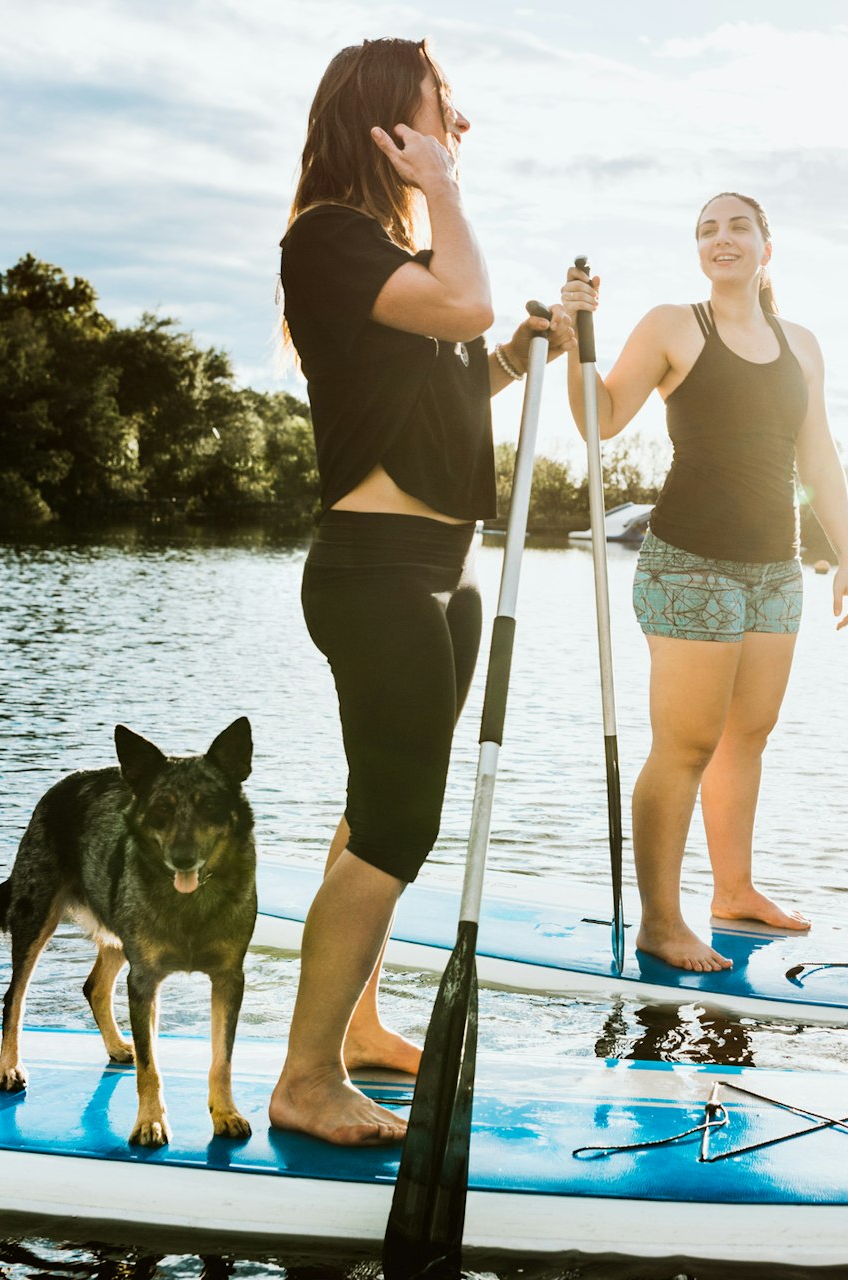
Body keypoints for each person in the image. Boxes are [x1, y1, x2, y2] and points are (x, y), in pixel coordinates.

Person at [267, 37, 571, 1146]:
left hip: (439, 581)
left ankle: (356, 1028)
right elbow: (464, 302)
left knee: (376, 806)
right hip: (375, 573)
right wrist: (446, 192)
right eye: (446, 111)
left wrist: (514, 354)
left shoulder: (388, 252)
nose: (461, 129)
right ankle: (303, 1079)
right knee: (403, 820)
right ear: (391, 119)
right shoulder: (332, 239)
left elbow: (448, 368)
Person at [559, 192, 848, 973]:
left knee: (747, 737)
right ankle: (662, 921)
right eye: (706, 229)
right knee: (686, 744)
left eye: (737, 226)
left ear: (768, 244)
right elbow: (600, 419)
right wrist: (578, 338)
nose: (721, 239)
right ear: (698, 251)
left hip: (775, 569)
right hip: (689, 563)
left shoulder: (802, 344)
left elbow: (817, 456)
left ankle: (733, 891)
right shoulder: (673, 325)